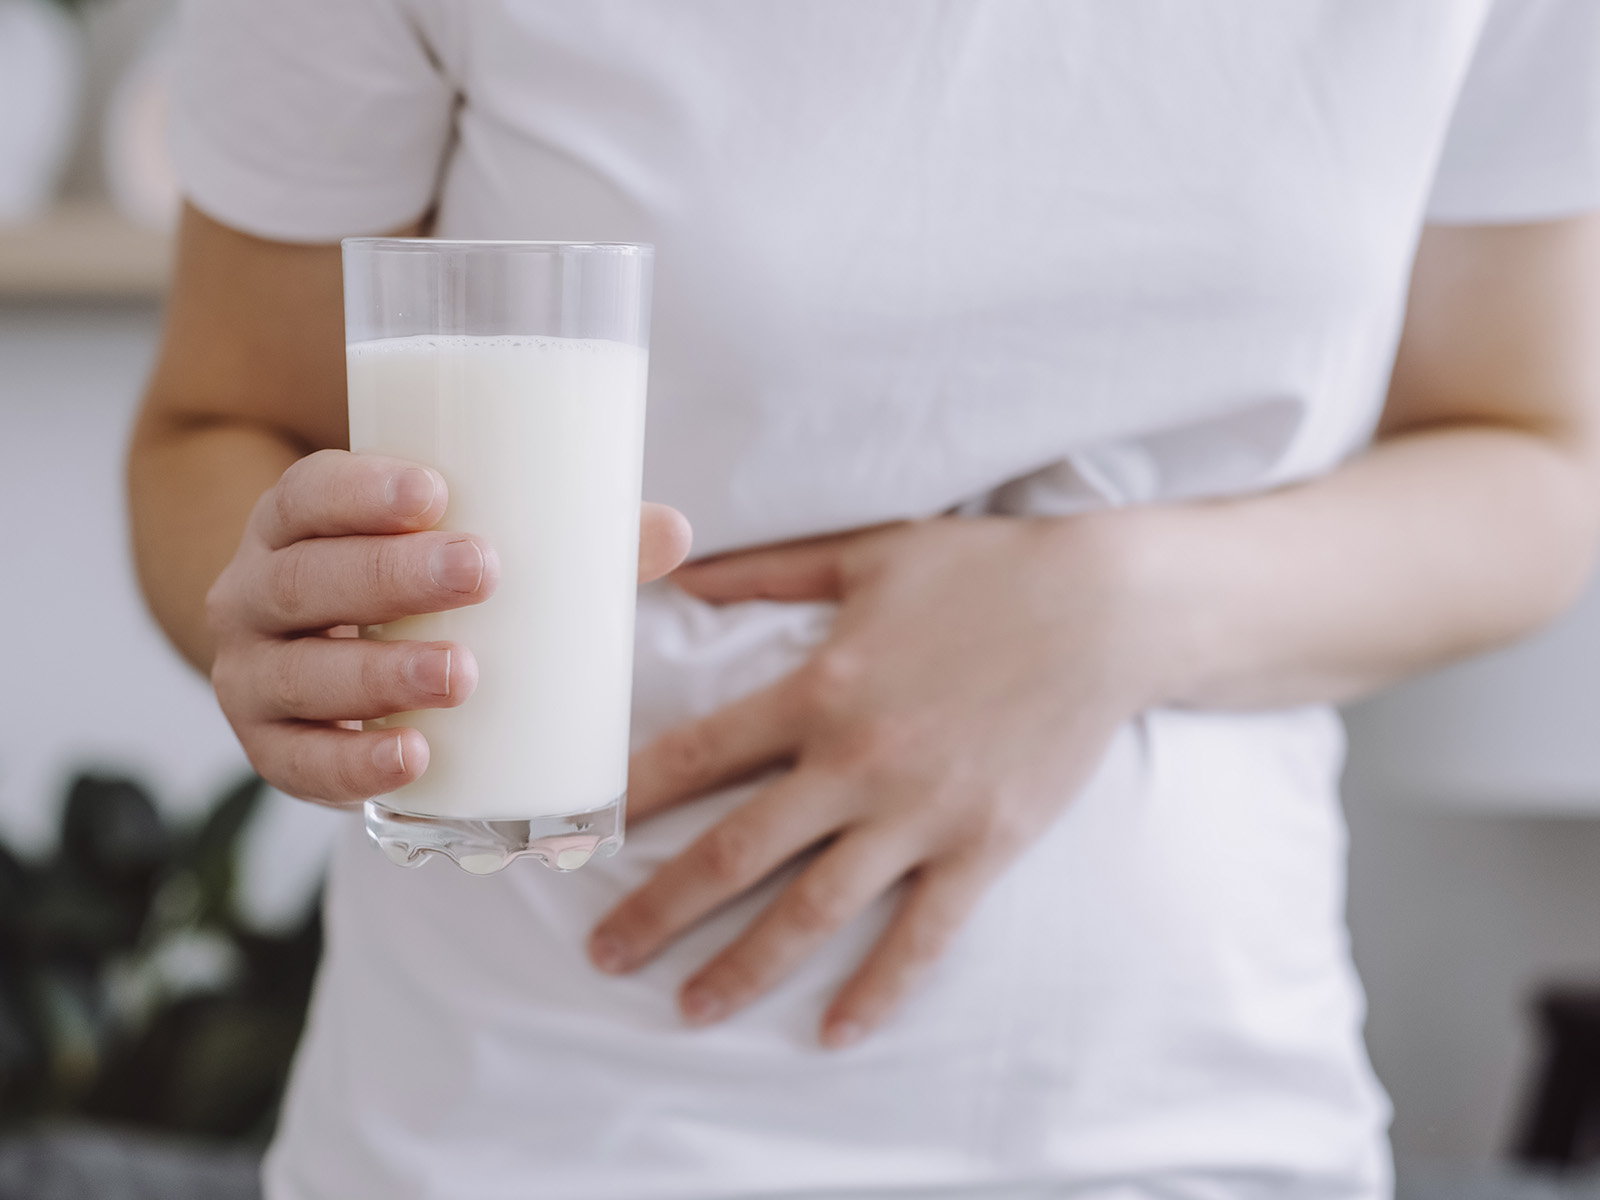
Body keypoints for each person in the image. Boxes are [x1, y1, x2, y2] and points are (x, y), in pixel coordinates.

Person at [127, 2, 1600, 1197]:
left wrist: (1117, 606)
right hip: (528, 1117)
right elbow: (221, 424)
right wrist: (285, 626)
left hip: (1192, 1113)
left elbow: (1535, 459)